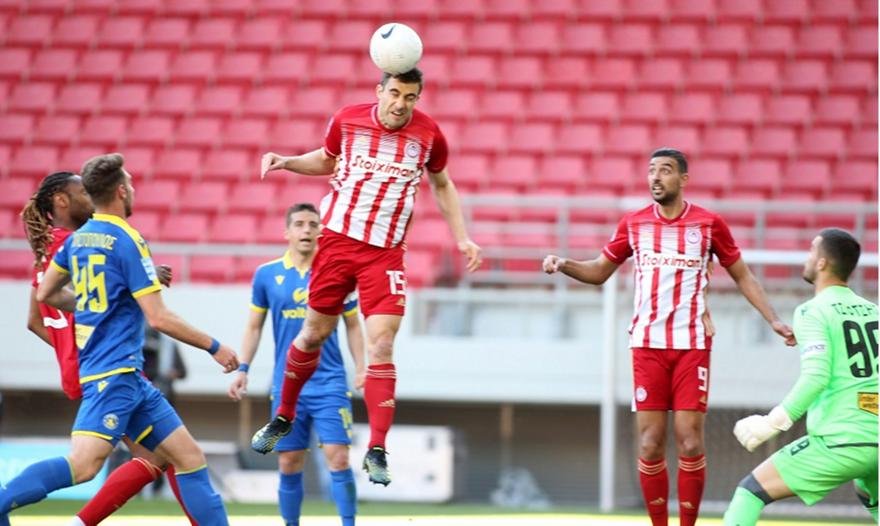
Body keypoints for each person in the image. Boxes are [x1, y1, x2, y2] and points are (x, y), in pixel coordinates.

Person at [251, 67, 482, 486]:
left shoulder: (429, 135)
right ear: (380, 91)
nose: (400, 104)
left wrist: (462, 237)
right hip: (337, 244)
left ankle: (377, 448)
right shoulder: (348, 119)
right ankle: (283, 416)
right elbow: (327, 159)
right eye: (394, 93)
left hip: (385, 253)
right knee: (312, 335)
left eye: (410, 97)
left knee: (383, 343)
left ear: (417, 99)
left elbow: (442, 184)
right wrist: (287, 161)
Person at [542, 147, 795, 526]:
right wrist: (564, 264)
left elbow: (742, 274)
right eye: (651, 171)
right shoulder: (634, 223)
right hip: (647, 346)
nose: (656, 177)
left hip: (692, 345)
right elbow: (599, 271)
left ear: (683, 179)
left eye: (665, 170)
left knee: (689, 439)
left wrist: (773, 319)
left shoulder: (709, 224)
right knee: (649, 443)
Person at [1, 153, 239, 526]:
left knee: (187, 457)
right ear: (122, 191)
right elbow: (158, 318)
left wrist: (94, 308)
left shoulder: (76, 241)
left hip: (126, 375)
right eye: (131, 183)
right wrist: (215, 346)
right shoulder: (127, 239)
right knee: (84, 465)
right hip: (112, 374)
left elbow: (47, 294)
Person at [723, 228, 878, 525]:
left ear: (822, 262)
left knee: (750, 492)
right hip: (876, 437)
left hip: (840, 440)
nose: (807, 257)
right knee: (870, 496)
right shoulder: (874, 311)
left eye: (811, 250)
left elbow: (816, 376)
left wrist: (772, 423)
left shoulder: (813, 311)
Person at [228, 203, 365, 526]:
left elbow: (353, 325)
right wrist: (243, 368)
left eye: (313, 224)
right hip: (286, 383)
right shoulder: (266, 275)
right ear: (287, 232)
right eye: (300, 224)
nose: (307, 230)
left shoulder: (337, 273)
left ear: (321, 232)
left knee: (338, 457)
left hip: (329, 382)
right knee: (289, 461)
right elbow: (254, 327)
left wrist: (362, 367)